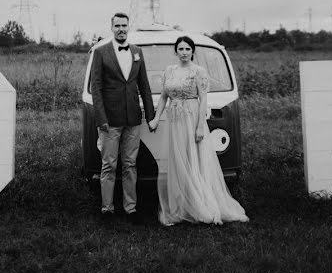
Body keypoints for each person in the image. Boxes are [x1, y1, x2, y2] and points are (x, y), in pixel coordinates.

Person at [147, 35, 249, 226]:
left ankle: (200, 204)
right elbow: (163, 98)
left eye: (187, 49)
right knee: (178, 160)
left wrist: (200, 127)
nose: (184, 52)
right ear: (176, 51)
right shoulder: (169, 71)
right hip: (175, 121)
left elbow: (203, 100)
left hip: (192, 118)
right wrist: (155, 119)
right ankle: (181, 204)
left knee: (194, 159)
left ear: (192, 51)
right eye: (181, 49)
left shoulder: (198, 72)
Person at [90, 12, 156, 224]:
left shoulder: (137, 52)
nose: (121, 29)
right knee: (109, 165)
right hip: (109, 120)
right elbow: (96, 89)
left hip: (133, 120)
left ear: (129, 27)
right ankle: (107, 208)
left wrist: (151, 116)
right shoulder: (100, 53)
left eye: (124, 25)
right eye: (117, 25)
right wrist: (101, 118)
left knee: (130, 164)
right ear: (112, 28)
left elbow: (144, 86)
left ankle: (131, 208)